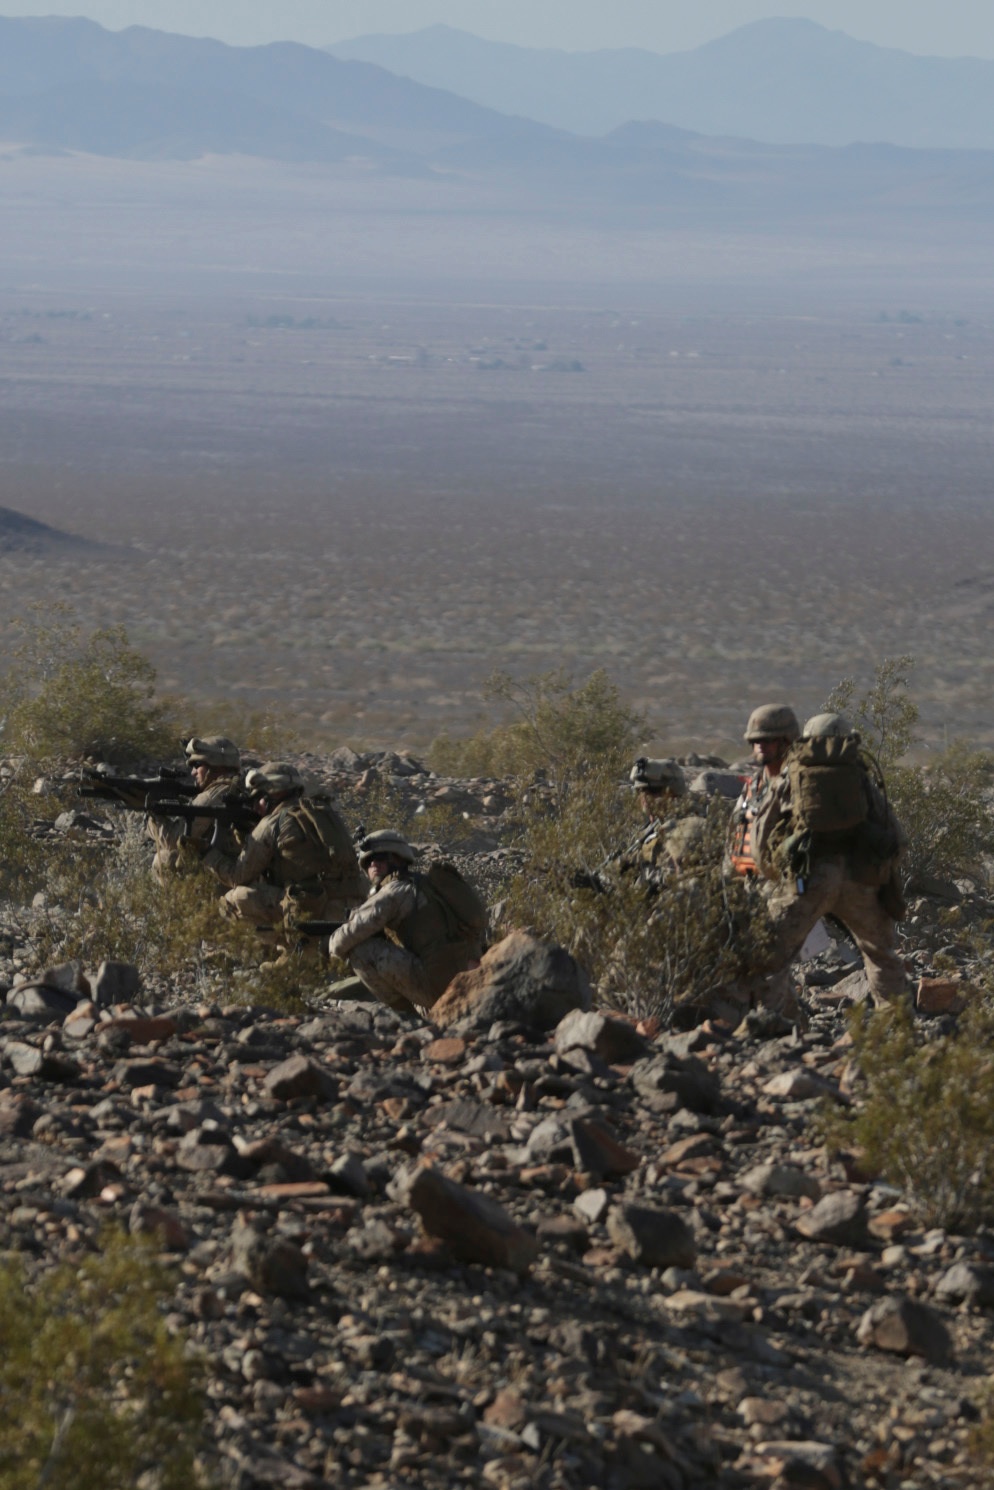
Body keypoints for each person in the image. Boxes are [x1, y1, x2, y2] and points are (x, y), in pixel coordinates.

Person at [748, 712, 909, 1007]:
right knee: (881, 957)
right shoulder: (860, 776)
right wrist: (880, 876)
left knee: (772, 957)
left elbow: (760, 844)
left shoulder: (792, 774)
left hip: (808, 880)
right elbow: (896, 838)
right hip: (860, 881)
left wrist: (779, 875)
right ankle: (897, 1028)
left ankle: (776, 1028)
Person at [327, 830, 485, 1017]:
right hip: (471, 982)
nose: (373, 864)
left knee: (361, 950)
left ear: (398, 858)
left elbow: (350, 934)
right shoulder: (427, 886)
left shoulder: (396, 889)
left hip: (440, 986)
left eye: (380, 857)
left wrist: (331, 948)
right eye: (368, 862)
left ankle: (408, 1018)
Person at [202, 761, 365, 930]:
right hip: (349, 906)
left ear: (269, 795)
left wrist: (206, 853)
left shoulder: (272, 823)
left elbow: (237, 876)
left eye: (256, 798)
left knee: (233, 899)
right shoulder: (323, 814)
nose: (255, 807)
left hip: (309, 910)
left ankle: (271, 946)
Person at [148, 735, 242, 881]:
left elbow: (173, 840)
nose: (193, 772)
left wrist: (151, 816)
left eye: (197, 765)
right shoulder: (237, 788)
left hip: (225, 877)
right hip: (236, 870)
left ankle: (179, 903)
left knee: (164, 858)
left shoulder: (213, 795)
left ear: (216, 765)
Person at [725, 705, 800, 880]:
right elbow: (734, 835)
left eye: (768, 740)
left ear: (786, 741)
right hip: (745, 882)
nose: (760, 746)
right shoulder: (753, 786)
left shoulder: (795, 785)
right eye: (756, 741)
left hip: (776, 886)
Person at [627, 756, 705, 880]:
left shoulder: (690, 826)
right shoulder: (652, 827)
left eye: (653, 791)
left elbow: (676, 877)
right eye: (640, 791)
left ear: (673, 793)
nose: (645, 798)